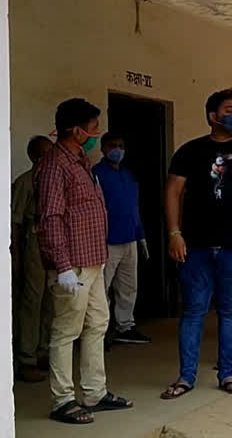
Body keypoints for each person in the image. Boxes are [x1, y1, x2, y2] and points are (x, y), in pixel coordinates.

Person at [162, 88, 232, 400]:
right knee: (194, 311)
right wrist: (174, 233)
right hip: (195, 246)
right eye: (229, 109)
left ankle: (227, 374)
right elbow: (172, 191)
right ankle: (186, 377)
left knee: (231, 311)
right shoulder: (190, 151)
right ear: (213, 116)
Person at [36, 98, 132, 424]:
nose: (97, 133)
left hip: (93, 260)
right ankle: (62, 400)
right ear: (75, 130)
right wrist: (62, 267)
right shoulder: (53, 166)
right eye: (93, 128)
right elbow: (50, 218)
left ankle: (94, 392)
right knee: (65, 332)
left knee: (97, 325)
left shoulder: (81, 161)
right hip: (72, 266)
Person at [92, 132, 151, 345]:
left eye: (121, 145)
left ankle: (125, 326)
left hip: (130, 238)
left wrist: (141, 235)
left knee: (128, 287)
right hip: (106, 241)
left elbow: (133, 208)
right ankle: (100, 331)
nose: (117, 149)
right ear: (103, 148)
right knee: (102, 288)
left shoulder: (127, 174)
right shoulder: (96, 174)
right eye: (112, 145)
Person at [12, 135, 53, 383]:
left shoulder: (52, 180)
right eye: (46, 153)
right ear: (35, 157)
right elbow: (15, 224)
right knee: (32, 301)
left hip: (52, 244)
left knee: (50, 300)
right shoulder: (26, 182)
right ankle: (26, 358)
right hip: (33, 244)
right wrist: (15, 256)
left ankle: (43, 350)